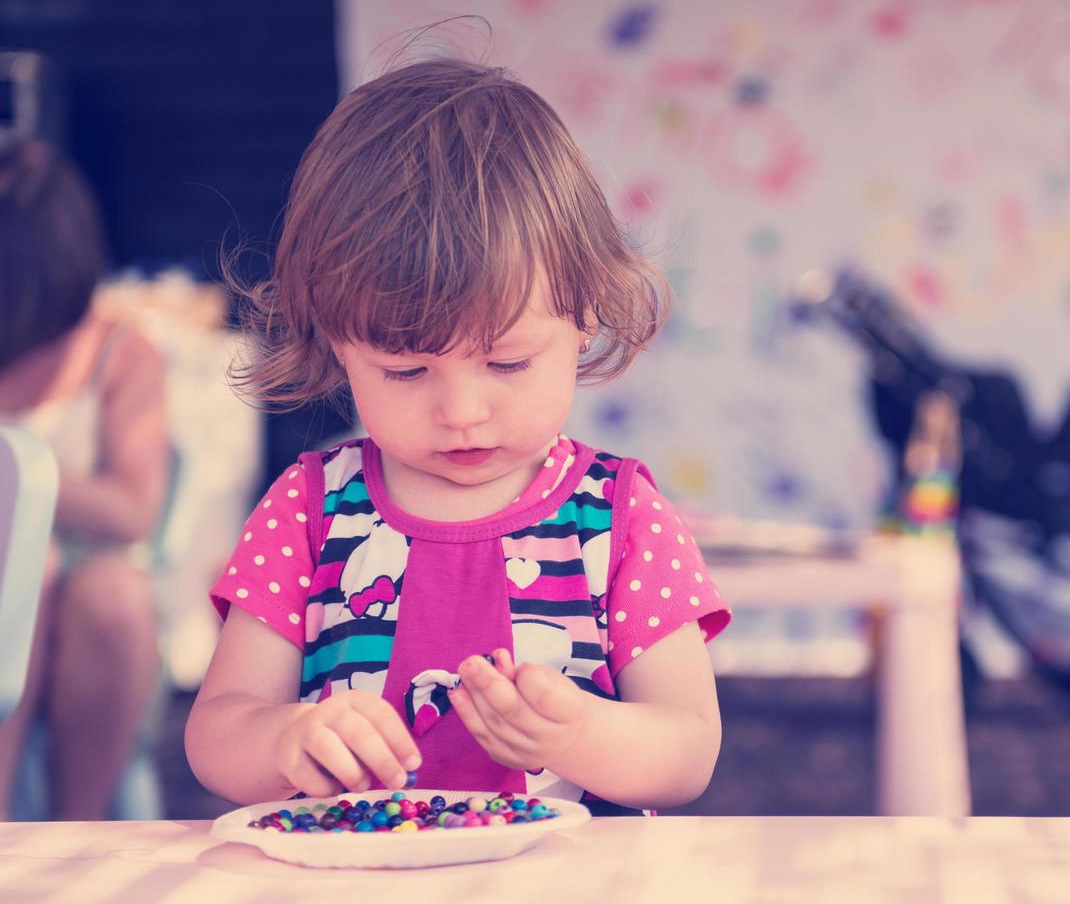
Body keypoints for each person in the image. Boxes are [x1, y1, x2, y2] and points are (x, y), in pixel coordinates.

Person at [185, 59, 730, 814]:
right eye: (406, 372)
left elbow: (687, 751)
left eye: (506, 361)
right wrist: (284, 738)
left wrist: (578, 736)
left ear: (585, 318)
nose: (461, 411)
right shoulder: (309, 509)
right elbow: (216, 733)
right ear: (338, 345)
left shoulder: (617, 514)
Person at [0, 139, 169, 820]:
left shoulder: (121, 354)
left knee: (109, 594)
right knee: (25, 570)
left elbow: (133, 509)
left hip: (91, 585)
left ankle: (79, 825)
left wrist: (24, 479)